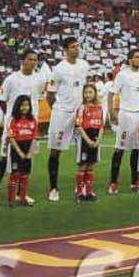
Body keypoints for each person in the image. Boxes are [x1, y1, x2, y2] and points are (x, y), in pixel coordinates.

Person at [0, 49, 49, 206]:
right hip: (13, 126)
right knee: (4, 158)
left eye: (35, 60)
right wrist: (13, 118)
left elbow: (39, 99)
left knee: (27, 158)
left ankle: (22, 194)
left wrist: (30, 122)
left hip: (30, 126)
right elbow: (1, 100)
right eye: (30, 59)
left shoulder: (40, 79)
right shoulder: (12, 79)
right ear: (23, 60)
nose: (33, 62)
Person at [46, 37, 89, 202]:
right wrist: (59, 109)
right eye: (73, 47)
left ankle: (81, 186)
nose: (76, 49)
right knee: (55, 151)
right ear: (66, 49)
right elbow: (50, 95)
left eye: (77, 46)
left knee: (83, 149)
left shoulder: (84, 65)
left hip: (80, 113)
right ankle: (53, 188)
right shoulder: (58, 69)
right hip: (62, 113)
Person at [108, 49, 139, 195]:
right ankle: (113, 183)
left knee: (137, 150)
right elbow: (111, 93)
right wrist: (112, 112)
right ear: (130, 59)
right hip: (126, 115)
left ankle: (134, 182)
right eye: (137, 57)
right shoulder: (122, 74)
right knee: (120, 149)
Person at [6, 95, 38, 207]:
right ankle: (11, 200)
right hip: (16, 150)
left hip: (27, 149)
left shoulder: (33, 120)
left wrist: (29, 153)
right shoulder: (14, 120)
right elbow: (11, 138)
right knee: (15, 174)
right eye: (22, 105)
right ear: (17, 106)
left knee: (25, 175)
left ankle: (23, 198)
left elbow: (34, 138)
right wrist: (19, 153)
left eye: (27, 105)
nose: (25, 107)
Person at [75, 82, 104, 202]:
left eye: (90, 92)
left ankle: (89, 191)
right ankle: (79, 192)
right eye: (86, 92)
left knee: (91, 165)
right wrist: (87, 140)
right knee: (83, 165)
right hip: (84, 140)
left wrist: (98, 141)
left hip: (95, 139)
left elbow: (101, 126)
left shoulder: (99, 108)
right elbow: (79, 126)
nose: (88, 95)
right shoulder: (82, 108)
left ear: (95, 93)